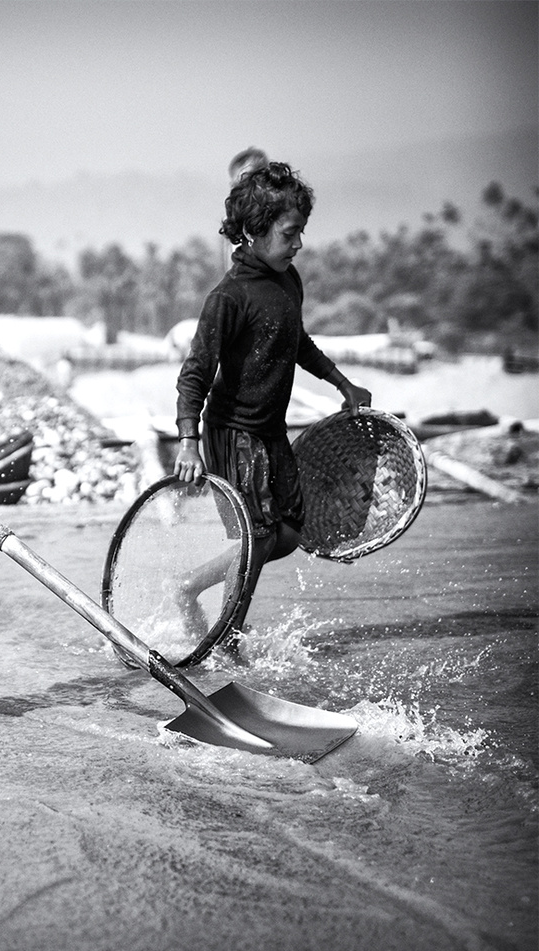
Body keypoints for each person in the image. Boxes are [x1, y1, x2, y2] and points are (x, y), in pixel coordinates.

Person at [173, 162, 371, 653]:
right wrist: (188, 441)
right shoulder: (229, 297)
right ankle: (227, 642)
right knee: (256, 539)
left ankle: (189, 586)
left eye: (301, 232)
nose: (298, 243)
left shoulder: (288, 281)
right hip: (232, 431)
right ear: (254, 231)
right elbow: (195, 373)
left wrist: (342, 383)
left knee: (287, 534)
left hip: (270, 431)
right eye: (289, 233)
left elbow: (297, 342)